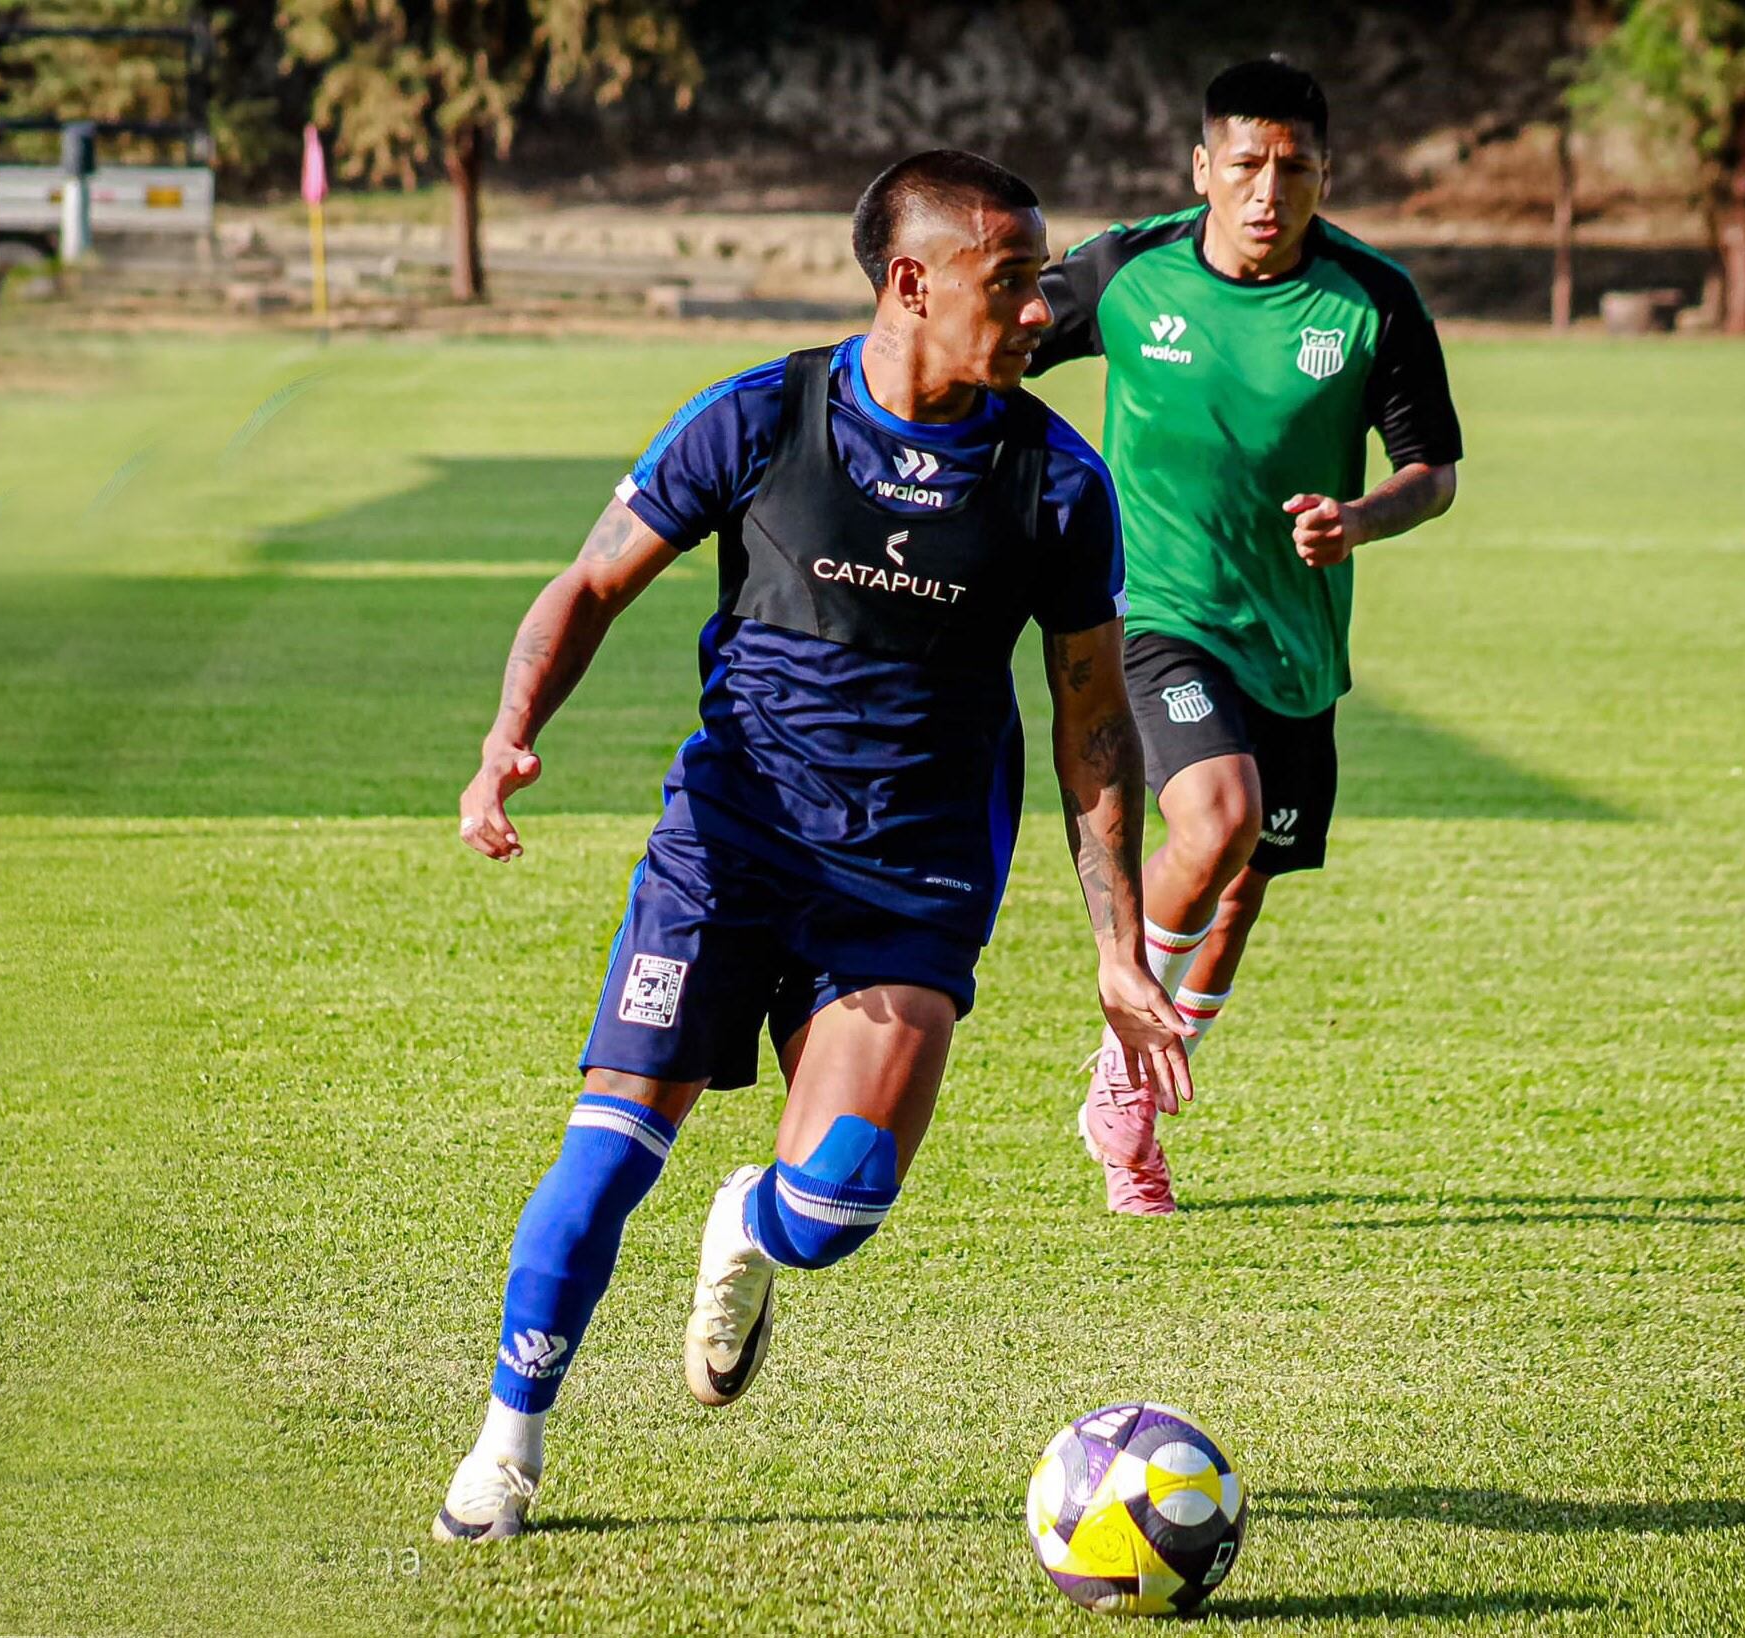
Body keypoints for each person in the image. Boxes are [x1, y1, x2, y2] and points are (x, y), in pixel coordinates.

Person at [433, 149, 1193, 1542]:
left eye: (1040, 285)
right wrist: (506, 735)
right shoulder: (761, 418)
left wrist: (1113, 944)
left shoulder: (1056, 484)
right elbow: (590, 581)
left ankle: (749, 1226)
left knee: (835, 1196)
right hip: (729, 844)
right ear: (911, 281)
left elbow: (1093, 713)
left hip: (908, 880)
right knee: (604, 1151)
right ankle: (507, 1444)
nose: (1040, 314)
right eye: (1011, 283)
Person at [1027, 58, 1465, 1215]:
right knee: (1213, 818)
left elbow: (1436, 471)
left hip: (1297, 645)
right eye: (1247, 166)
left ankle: (1139, 1131)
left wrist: (1362, 518)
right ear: (1202, 169)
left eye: (1296, 169)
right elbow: (1005, 337)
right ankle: (1121, 1056)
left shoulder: (1374, 299)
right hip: (1160, 613)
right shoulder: (1131, 270)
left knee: (1240, 893)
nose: (1270, 191)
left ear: (1326, 174)